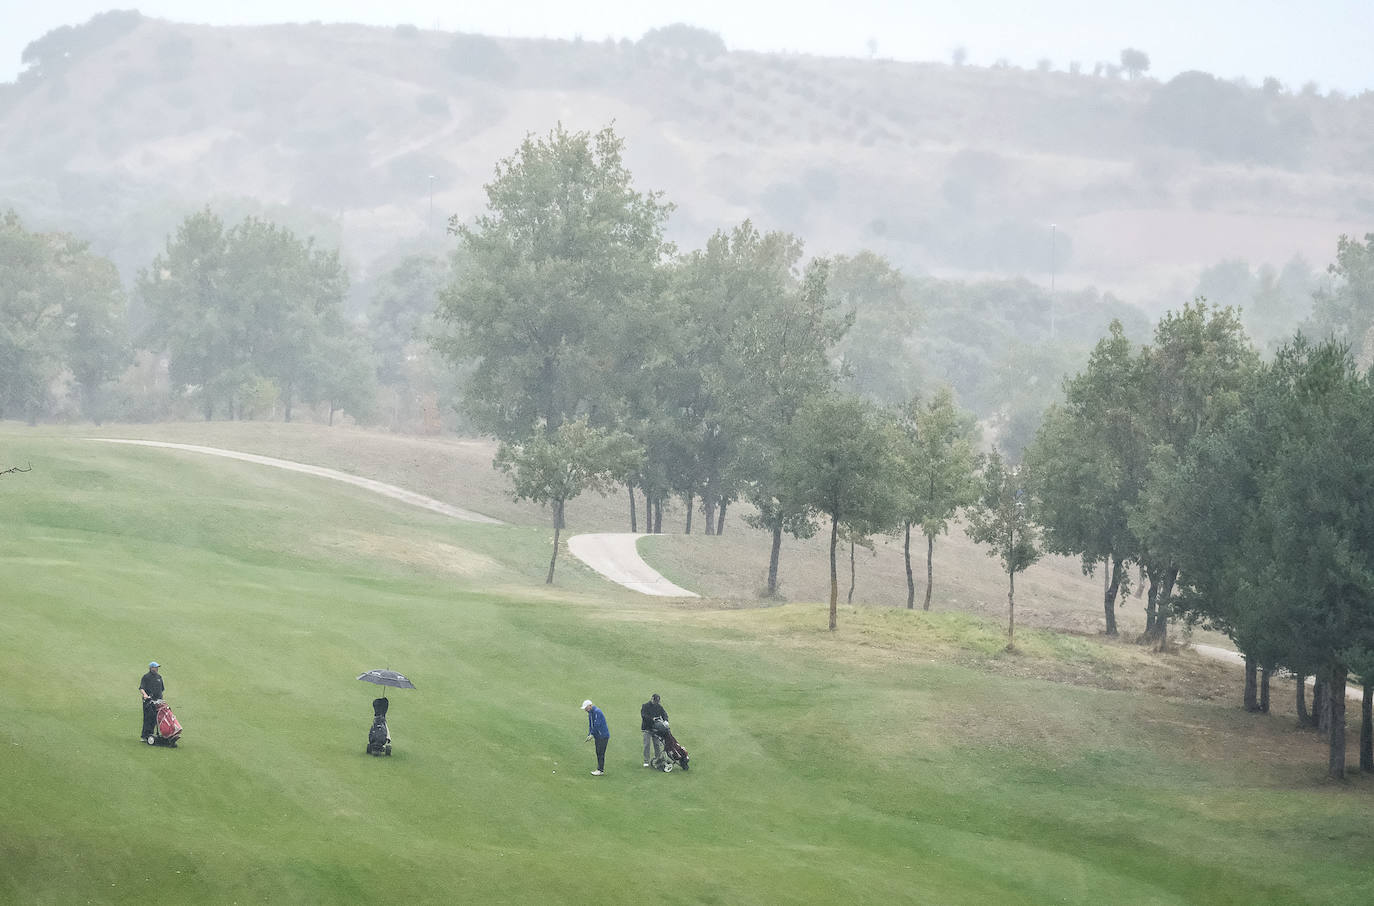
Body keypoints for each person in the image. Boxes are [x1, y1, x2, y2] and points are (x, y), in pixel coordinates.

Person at [138, 661, 165, 742]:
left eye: (157, 667)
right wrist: (145, 695)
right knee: (147, 718)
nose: (157, 669)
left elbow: (162, 689)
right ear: (151, 668)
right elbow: (141, 688)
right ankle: (144, 736)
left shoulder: (159, 677)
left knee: (155, 718)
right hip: (148, 701)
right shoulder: (146, 677)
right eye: (155, 667)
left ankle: (151, 734)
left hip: (158, 701)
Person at [582, 699, 609, 775]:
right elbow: (591, 724)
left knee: (601, 752)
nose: (585, 710)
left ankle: (600, 770)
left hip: (603, 735)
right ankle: (599, 769)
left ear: (590, 706)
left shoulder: (597, 712)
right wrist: (589, 734)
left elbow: (597, 724)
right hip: (597, 736)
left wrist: (592, 734)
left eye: (586, 708)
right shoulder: (590, 713)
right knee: (598, 752)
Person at [640, 693, 667, 767]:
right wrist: (652, 719)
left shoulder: (659, 707)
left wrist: (665, 720)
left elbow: (664, 714)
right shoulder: (645, 706)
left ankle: (658, 759)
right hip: (647, 728)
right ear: (652, 699)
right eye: (655, 701)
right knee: (647, 745)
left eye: (657, 702)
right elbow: (644, 716)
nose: (656, 703)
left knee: (657, 744)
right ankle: (646, 761)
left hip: (656, 729)